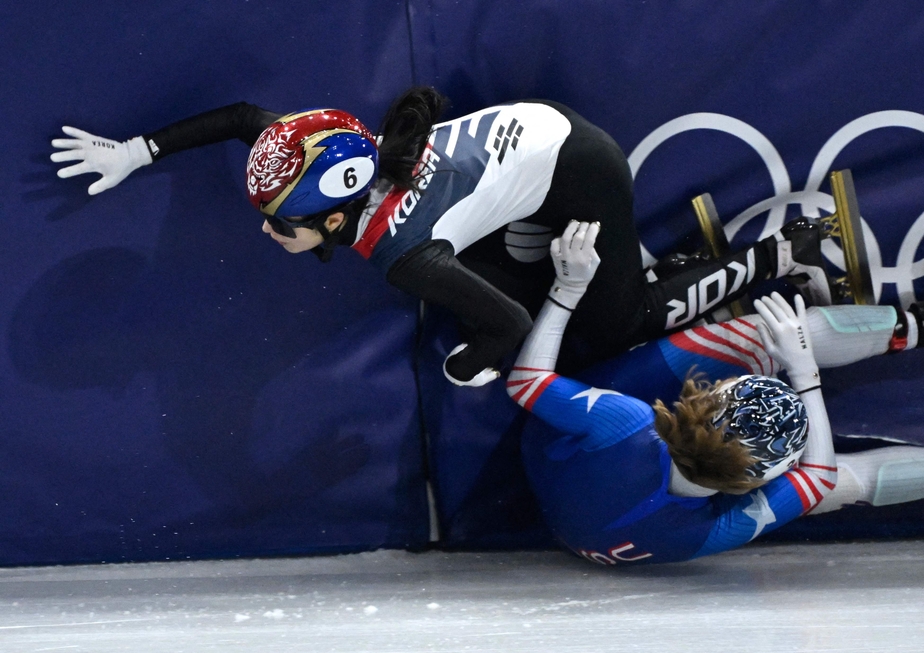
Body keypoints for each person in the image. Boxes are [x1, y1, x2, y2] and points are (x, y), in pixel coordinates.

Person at [51, 88, 864, 385]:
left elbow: (512, 332)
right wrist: (138, 151)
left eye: (283, 224)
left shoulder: (399, 254)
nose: (271, 231)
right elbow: (239, 119)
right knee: (522, 280)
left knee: (600, 337)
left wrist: (476, 357)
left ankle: (785, 251)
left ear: (335, 219)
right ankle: (662, 270)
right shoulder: (324, 144)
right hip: (532, 140)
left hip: (580, 169)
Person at [507, 220, 924, 565]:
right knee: (773, 354)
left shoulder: (629, 427)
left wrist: (567, 287)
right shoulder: (632, 430)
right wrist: (800, 366)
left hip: (564, 463)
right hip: (584, 480)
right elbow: (816, 480)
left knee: (829, 484)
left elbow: (526, 382)